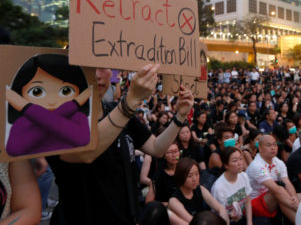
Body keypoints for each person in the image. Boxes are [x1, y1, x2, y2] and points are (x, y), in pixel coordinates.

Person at [46, 64, 194, 225]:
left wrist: (180, 116)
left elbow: (156, 148)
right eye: (87, 68)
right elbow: (86, 153)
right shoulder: (53, 121)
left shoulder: (117, 111)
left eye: (102, 67)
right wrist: (130, 102)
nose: (97, 75)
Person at [6, 54, 91, 156]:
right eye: (37, 92)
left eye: (66, 91)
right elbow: (14, 150)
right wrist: (74, 104)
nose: (52, 101)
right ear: (20, 93)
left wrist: (25, 106)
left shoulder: (78, 117)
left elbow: (82, 139)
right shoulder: (22, 122)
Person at [246, 135, 301, 223]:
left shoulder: (278, 162)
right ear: (260, 148)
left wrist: (294, 197)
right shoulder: (256, 165)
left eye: (275, 145)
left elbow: (287, 182)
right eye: (268, 145)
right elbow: (276, 189)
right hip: (254, 203)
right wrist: (297, 206)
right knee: (279, 194)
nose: (273, 148)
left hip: (273, 197)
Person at [168, 158, 229, 224]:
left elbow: (220, 208)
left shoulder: (200, 189)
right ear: (180, 177)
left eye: (197, 174)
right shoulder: (174, 200)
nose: (194, 179)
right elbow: (192, 222)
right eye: (190, 176)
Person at [211, 147, 253, 225]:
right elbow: (221, 214)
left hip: (241, 217)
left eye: (240, 159)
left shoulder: (244, 176)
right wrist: (230, 216)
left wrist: (249, 222)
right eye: (235, 161)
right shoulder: (219, 187)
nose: (240, 163)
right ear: (226, 165)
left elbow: (247, 201)